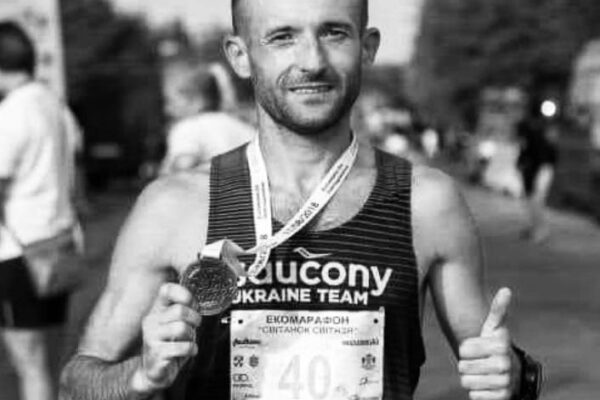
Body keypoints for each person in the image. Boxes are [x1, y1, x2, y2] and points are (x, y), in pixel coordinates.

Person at [60, 1, 542, 399]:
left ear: (367, 47)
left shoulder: (426, 203)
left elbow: (496, 366)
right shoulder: (175, 206)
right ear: (240, 55)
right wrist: (141, 376)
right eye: (282, 37)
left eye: (334, 33)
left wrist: (512, 375)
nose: (312, 60)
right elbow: (77, 383)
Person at [0, 22, 83, 400]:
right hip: (59, 244)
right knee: (50, 363)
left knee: (31, 368)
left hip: (18, 253)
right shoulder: (55, 105)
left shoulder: (11, 113)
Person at [160, 66, 256, 174]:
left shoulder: (188, 127)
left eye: (171, 101)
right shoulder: (243, 127)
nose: (167, 109)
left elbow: (183, 166)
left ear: (197, 101)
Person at [516, 102, 559, 242]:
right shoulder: (535, 128)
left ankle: (540, 229)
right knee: (531, 199)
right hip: (537, 167)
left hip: (541, 167)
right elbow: (524, 148)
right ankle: (534, 227)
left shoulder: (537, 128)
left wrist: (522, 161)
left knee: (535, 199)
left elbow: (527, 148)